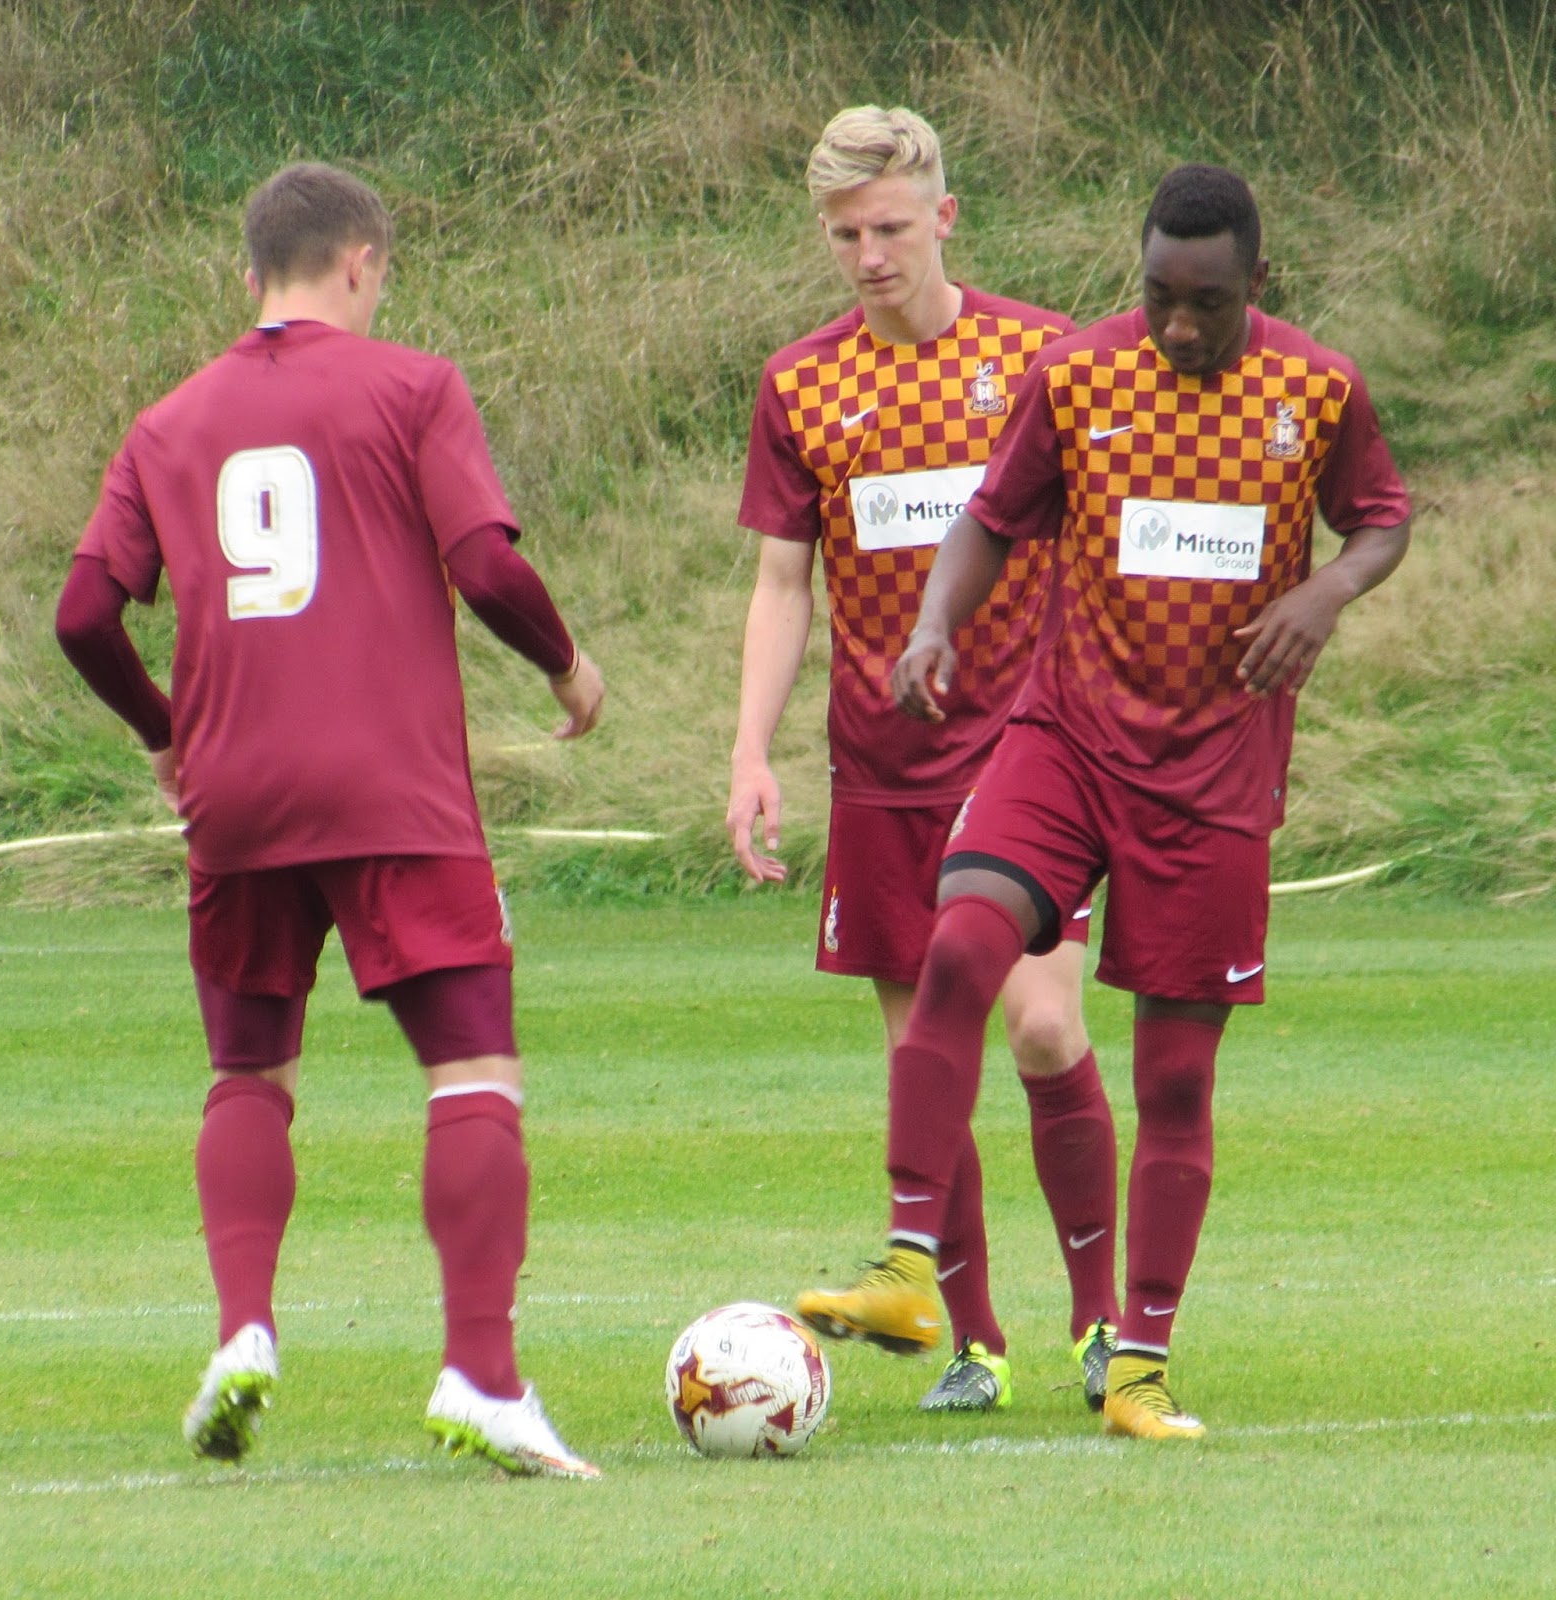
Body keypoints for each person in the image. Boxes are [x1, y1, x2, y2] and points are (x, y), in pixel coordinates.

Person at [832, 162, 1411, 1440]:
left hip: (1212, 783)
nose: (1178, 326)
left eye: (1205, 302)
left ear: (1257, 285)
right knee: (958, 944)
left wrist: (1326, 592)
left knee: (1177, 1081)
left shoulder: (1315, 387)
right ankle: (907, 1258)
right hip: (1063, 741)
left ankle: (1138, 1363)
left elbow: (1379, 517)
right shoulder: (1079, 375)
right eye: (1157, 296)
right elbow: (990, 517)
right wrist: (935, 622)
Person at [55, 162, 606, 1479]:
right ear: (364, 261)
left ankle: (242, 1332)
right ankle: (482, 1373)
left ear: (253, 277)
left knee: (250, 1075)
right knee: (472, 1070)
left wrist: (163, 731)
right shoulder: (413, 386)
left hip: (234, 794)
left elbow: (83, 616)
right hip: (391, 785)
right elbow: (484, 563)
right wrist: (568, 667)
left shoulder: (168, 421)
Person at [729, 105, 1120, 1414]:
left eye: (890, 227)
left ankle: (1106, 1327)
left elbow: (1103, 551)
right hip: (882, 773)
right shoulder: (802, 385)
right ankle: (975, 1342)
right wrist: (751, 754)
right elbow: (786, 583)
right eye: (844, 234)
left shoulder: (1045, 361)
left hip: (1034, 759)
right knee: (920, 1062)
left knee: (1045, 1022)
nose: (868, 255)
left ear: (944, 217)